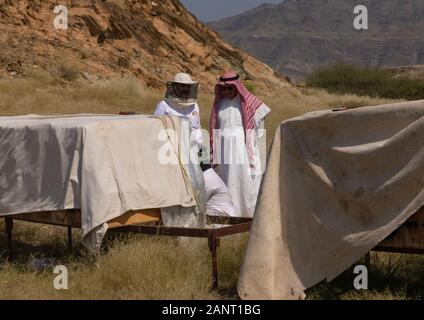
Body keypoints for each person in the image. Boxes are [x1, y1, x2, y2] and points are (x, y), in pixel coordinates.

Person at [154, 73, 235, 221]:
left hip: (198, 153)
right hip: (174, 155)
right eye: (181, 86)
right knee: (189, 190)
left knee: (211, 182)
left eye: (187, 86)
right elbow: (155, 131)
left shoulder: (194, 106)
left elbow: (197, 129)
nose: (185, 89)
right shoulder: (163, 106)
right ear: (174, 87)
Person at [209, 71, 271, 218]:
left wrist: (254, 150)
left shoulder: (249, 102)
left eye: (230, 88)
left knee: (245, 181)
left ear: (237, 87)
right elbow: (215, 128)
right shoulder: (219, 103)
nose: (226, 91)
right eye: (223, 88)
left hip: (243, 151)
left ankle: (248, 215)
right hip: (225, 153)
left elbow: (259, 128)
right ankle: (230, 213)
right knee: (227, 180)